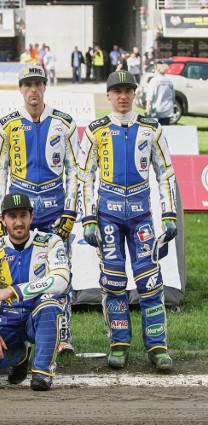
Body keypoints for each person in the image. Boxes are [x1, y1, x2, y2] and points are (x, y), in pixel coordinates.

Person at [77, 70, 178, 371]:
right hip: (107, 217)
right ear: (108, 95)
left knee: (150, 282)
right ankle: (118, 343)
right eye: (116, 91)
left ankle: (157, 346)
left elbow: (166, 173)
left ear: (135, 94)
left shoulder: (152, 128)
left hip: (141, 218)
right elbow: (84, 176)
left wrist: (169, 214)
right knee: (113, 282)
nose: (122, 96)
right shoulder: (95, 130)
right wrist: (87, 219)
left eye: (128, 91)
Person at [0, 64, 79, 354]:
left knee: (60, 271)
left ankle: (61, 334)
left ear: (45, 87)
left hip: (55, 213)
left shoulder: (65, 123)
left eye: (38, 84)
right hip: (20, 214)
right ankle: (20, 331)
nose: (33, 90)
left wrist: (70, 211)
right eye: (28, 84)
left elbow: (75, 172)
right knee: (17, 274)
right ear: (20, 89)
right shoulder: (6, 125)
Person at [0, 192, 69, 391]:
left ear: (32, 217)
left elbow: (61, 280)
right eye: (12, 217)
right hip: (8, 318)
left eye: (23, 215)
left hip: (36, 315)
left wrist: (14, 291)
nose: (18, 222)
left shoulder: (50, 242)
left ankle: (42, 373)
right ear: (3, 220)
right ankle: (21, 355)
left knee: (49, 304)